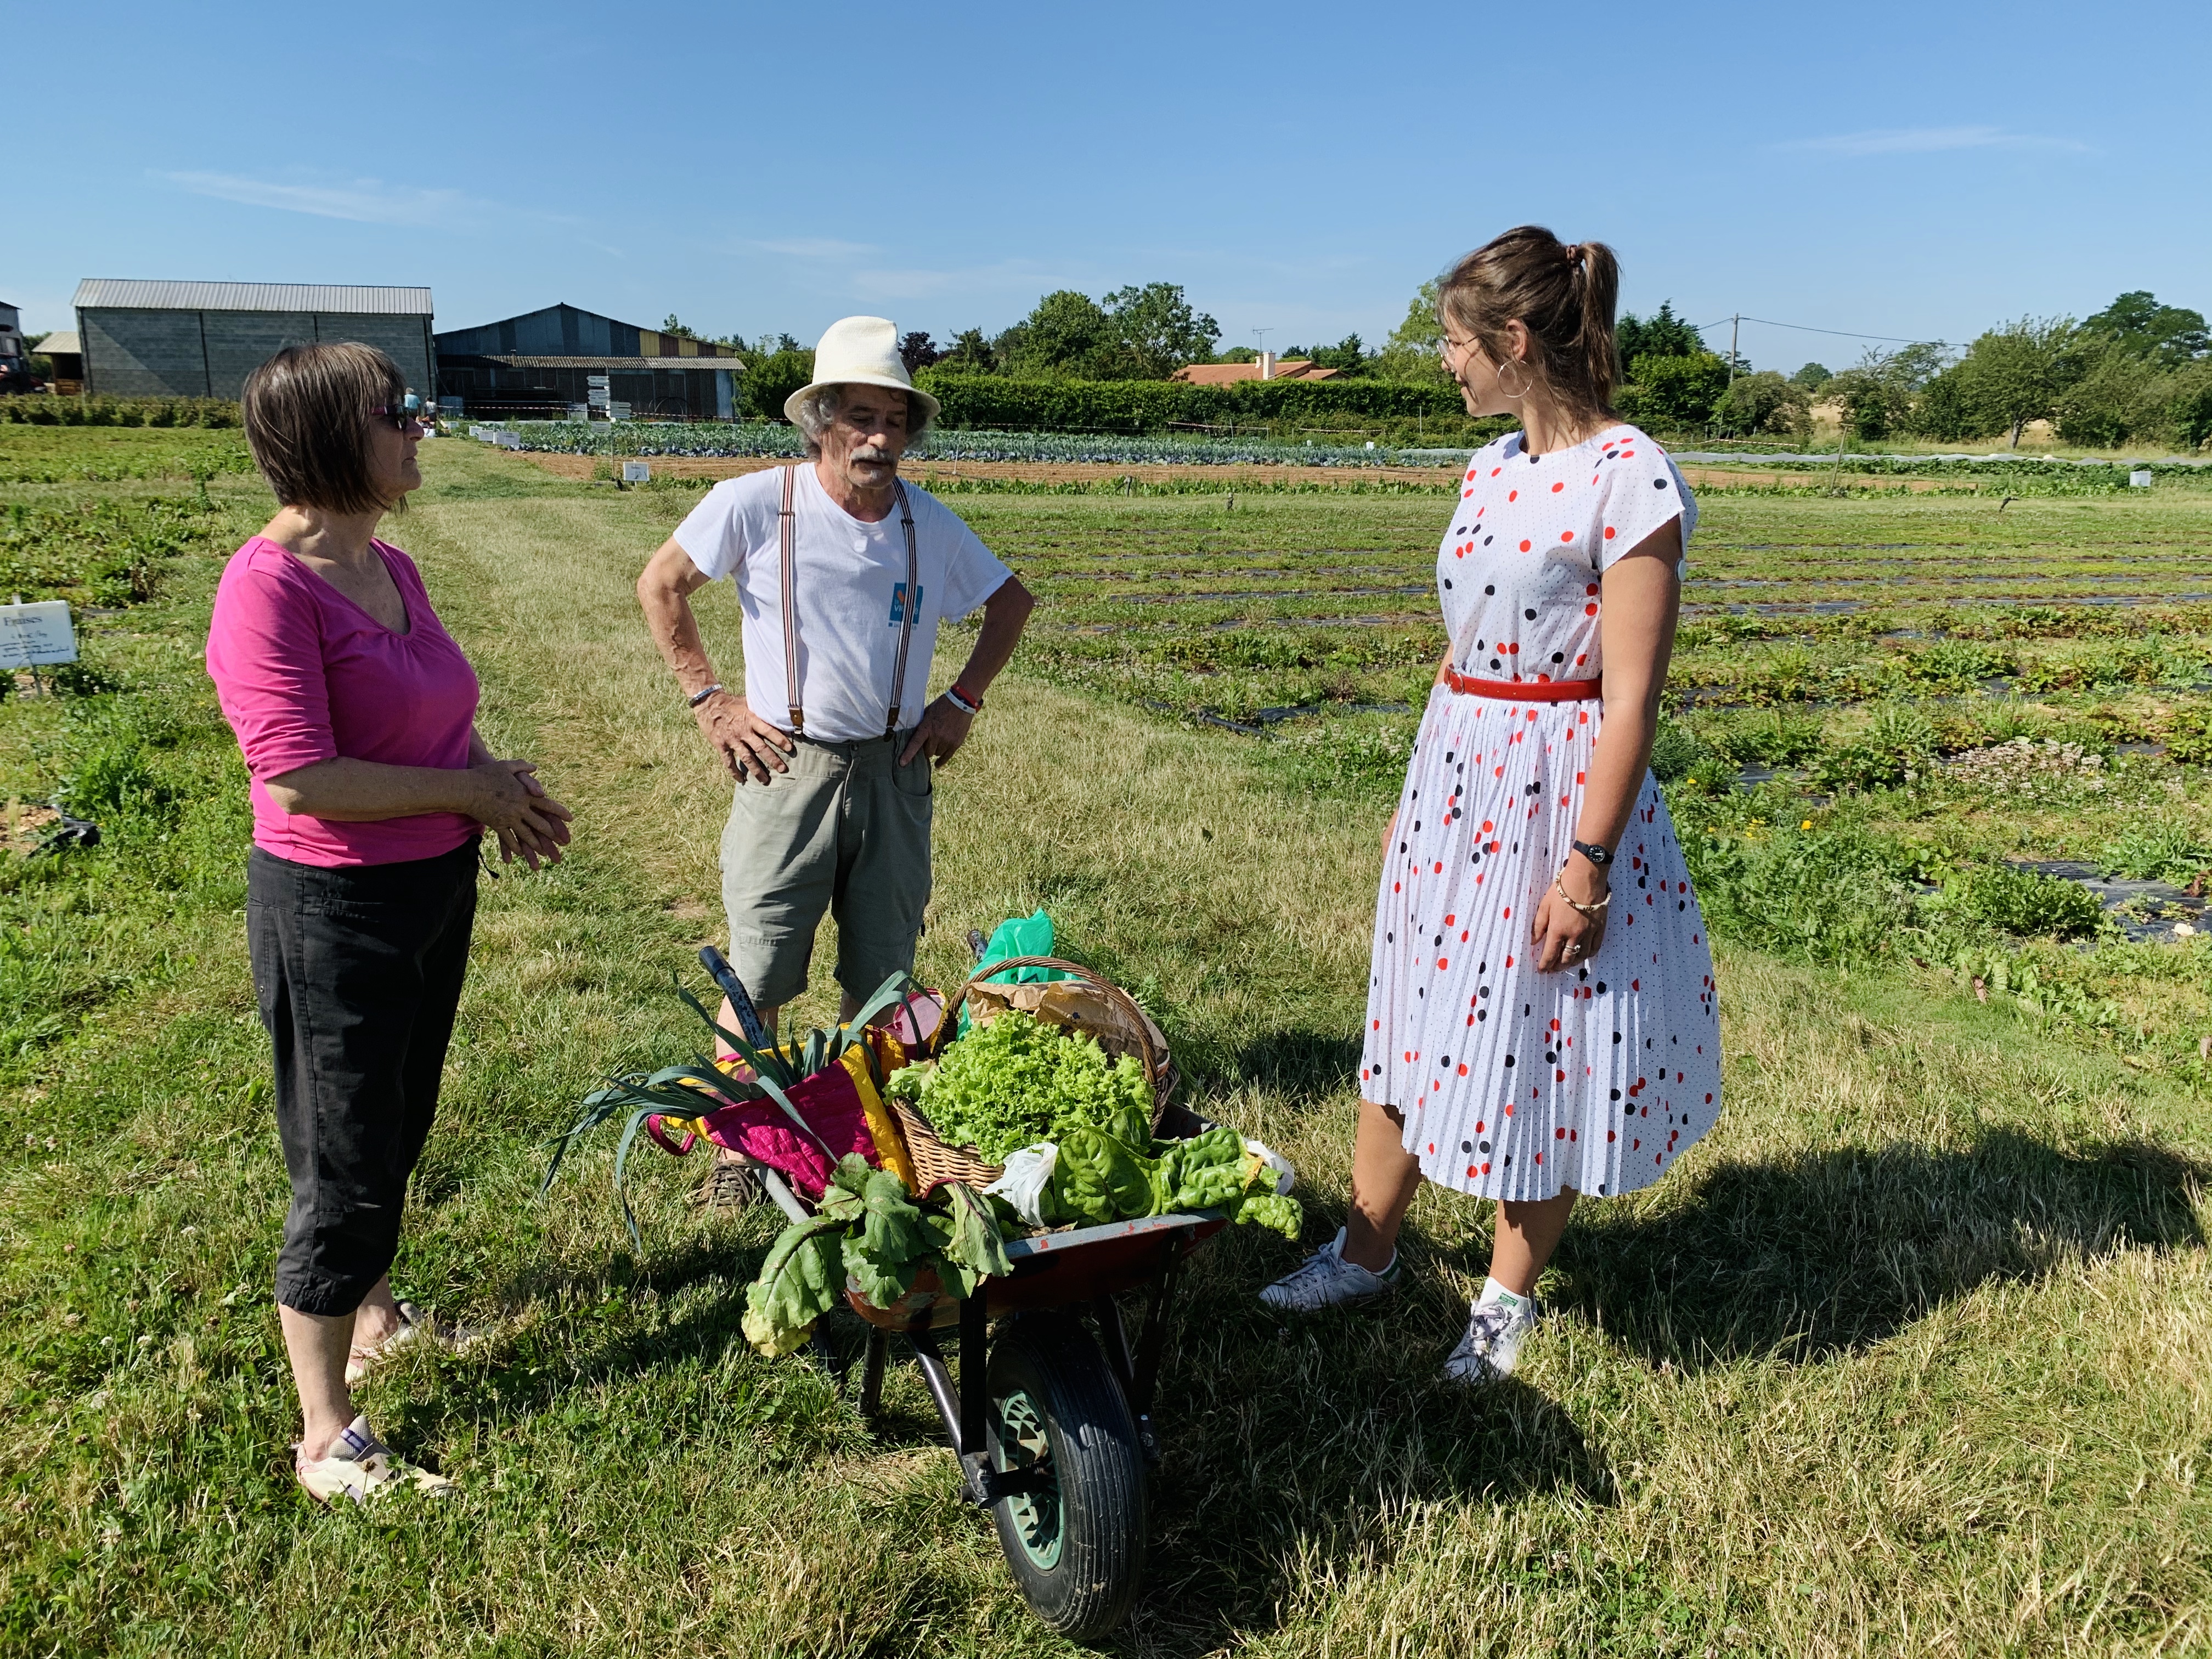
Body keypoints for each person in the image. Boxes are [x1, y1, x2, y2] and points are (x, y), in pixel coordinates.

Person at [1259, 228, 1722, 1384]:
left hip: (1557, 785)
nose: (1444, 363)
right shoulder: (1490, 468)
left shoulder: (1631, 474)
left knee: (1543, 1041)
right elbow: (1465, 645)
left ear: (1514, 344)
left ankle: (1505, 1301)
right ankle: (1363, 1255)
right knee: (1407, 1013)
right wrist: (1421, 797)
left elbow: (1629, 703)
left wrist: (1586, 865)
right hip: (1459, 775)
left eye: (1456, 342)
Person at [207, 343, 574, 1503]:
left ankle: (371, 1314)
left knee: (396, 1124)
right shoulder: (266, 587)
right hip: (335, 906)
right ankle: (326, 1436)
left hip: (429, 887)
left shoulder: (390, 566)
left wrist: (492, 783)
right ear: (328, 435)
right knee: (344, 1160)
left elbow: (434, 715)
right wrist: (468, 795)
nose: (419, 425)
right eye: (395, 412)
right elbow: (301, 778)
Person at [636, 316, 1034, 1170]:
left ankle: (865, 1133)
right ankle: (741, 1153)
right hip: (790, 765)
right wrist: (710, 701)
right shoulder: (758, 503)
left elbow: (1011, 603)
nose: (879, 438)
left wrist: (960, 701)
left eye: (894, 420)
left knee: (882, 972)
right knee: (762, 969)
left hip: (894, 770)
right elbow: (661, 583)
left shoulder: (930, 524)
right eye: (859, 417)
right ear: (821, 420)